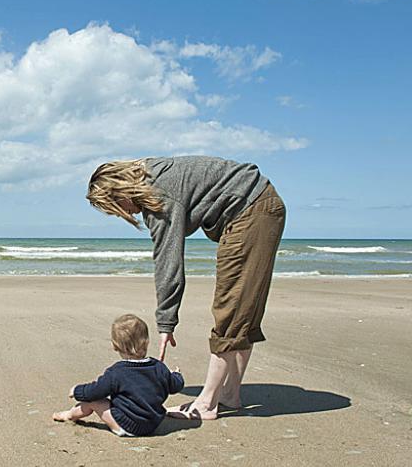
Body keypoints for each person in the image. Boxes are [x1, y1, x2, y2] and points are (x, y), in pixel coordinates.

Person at [86, 156, 286, 420]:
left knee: (232, 308)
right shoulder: (153, 173)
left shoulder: (159, 196)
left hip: (252, 210)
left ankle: (207, 403)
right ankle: (229, 394)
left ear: (120, 190)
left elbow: (168, 261)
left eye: (115, 207)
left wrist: (165, 323)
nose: (126, 213)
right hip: (259, 205)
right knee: (243, 311)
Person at [52, 314, 184, 436]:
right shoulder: (159, 368)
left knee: (95, 401)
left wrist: (77, 391)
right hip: (152, 425)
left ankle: (69, 415)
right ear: (147, 342)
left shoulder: (117, 372)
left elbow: (95, 391)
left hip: (126, 425)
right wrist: (177, 375)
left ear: (115, 346)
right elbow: (175, 385)